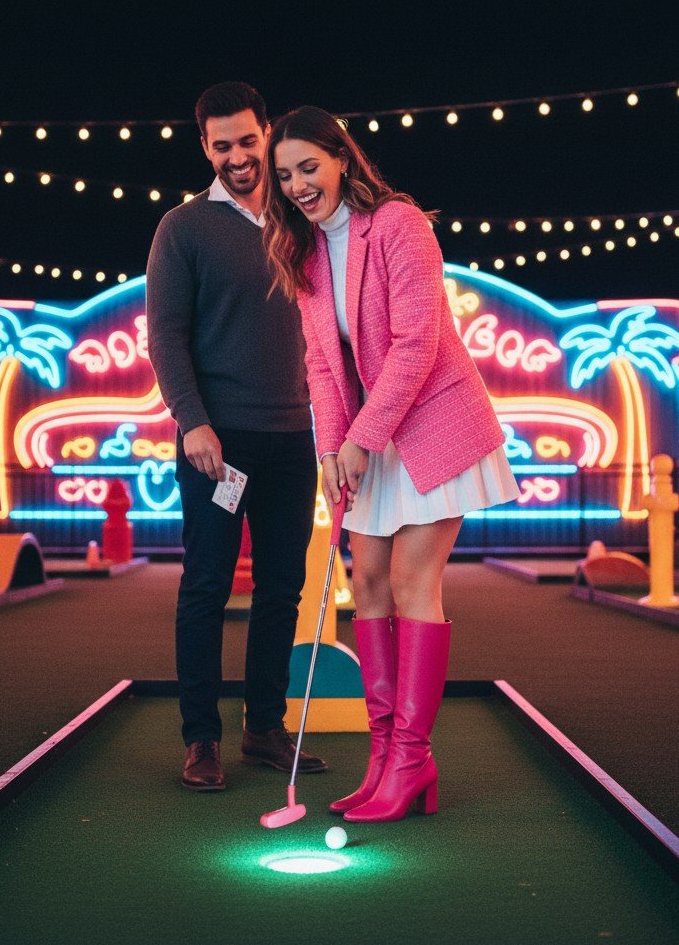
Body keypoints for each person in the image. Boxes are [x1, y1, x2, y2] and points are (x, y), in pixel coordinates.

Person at [262, 106, 519, 822]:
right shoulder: (306, 251)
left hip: (432, 423)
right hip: (369, 438)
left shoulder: (400, 224)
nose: (298, 185)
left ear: (341, 157)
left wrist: (360, 440)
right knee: (366, 583)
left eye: (308, 167)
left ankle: (412, 760)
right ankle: (382, 761)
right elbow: (321, 363)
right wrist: (328, 448)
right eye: (285, 176)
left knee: (411, 584)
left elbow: (417, 344)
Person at [146, 83, 326, 791]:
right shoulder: (182, 227)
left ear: (266, 134)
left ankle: (263, 729)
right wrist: (192, 421)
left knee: (282, 589)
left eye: (247, 142)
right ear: (205, 148)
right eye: (221, 146)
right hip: (216, 449)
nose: (238, 157)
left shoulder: (302, 220)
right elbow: (165, 336)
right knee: (207, 589)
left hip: (292, 442)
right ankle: (201, 741)